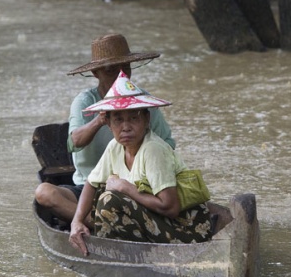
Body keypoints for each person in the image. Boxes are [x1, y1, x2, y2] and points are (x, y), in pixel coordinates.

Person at [68, 72, 212, 256]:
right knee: (101, 195)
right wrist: (76, 222)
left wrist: (126, 188)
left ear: (146, 120)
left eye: (134, 118)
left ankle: (121, 255)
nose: (126, 127)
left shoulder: (152, 149)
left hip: (186, 231)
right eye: (118, 120)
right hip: (156, 222)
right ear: (109, 124)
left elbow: (170, 207)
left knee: (109, 199)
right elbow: (91, 183)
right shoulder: (115, 147)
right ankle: (115, 251)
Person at [34, 34, 175, 222]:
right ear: (96, 73)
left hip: (134, 187)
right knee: (44, 192)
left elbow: (167, 146)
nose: (120, 77)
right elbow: (74, 143)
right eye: (111, 71)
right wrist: (101, 118)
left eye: (125, 69)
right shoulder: (85, 101)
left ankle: (104, 221)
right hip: (88, 187)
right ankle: (96, 222)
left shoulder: (142, 102)